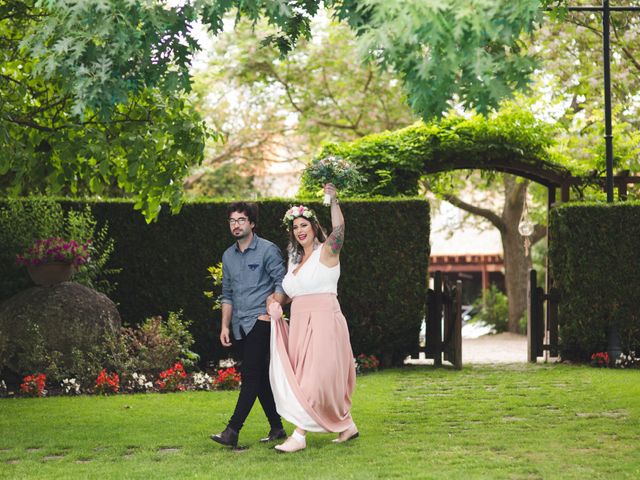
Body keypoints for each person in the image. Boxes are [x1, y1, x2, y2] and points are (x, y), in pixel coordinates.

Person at [267, 184, 358, 453]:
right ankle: (346, 426)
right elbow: (287, 293)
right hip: (299, 324)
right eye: (295, 227)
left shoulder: (327, 252)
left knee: (314, 380)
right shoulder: (294, 262)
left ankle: (299, 435)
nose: (299, 230)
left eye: (304, 224)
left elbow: (340, 230)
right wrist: (274, 303)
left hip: (324, 321)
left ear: (314, 227)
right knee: (302, 377)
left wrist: (333, 200)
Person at [210, 202, 287, 449]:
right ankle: (277, 427)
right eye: (232, 221)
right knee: (260, 377)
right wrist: (224, 326)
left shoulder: (267, 250)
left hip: (261, 321)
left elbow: (282, 283)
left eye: (241, 220)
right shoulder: (227, 255)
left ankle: (232, 430)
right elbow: (227, 294)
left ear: (251, 223)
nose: (236, 224)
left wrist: (272, 309)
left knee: (250, 375)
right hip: (239, 325)